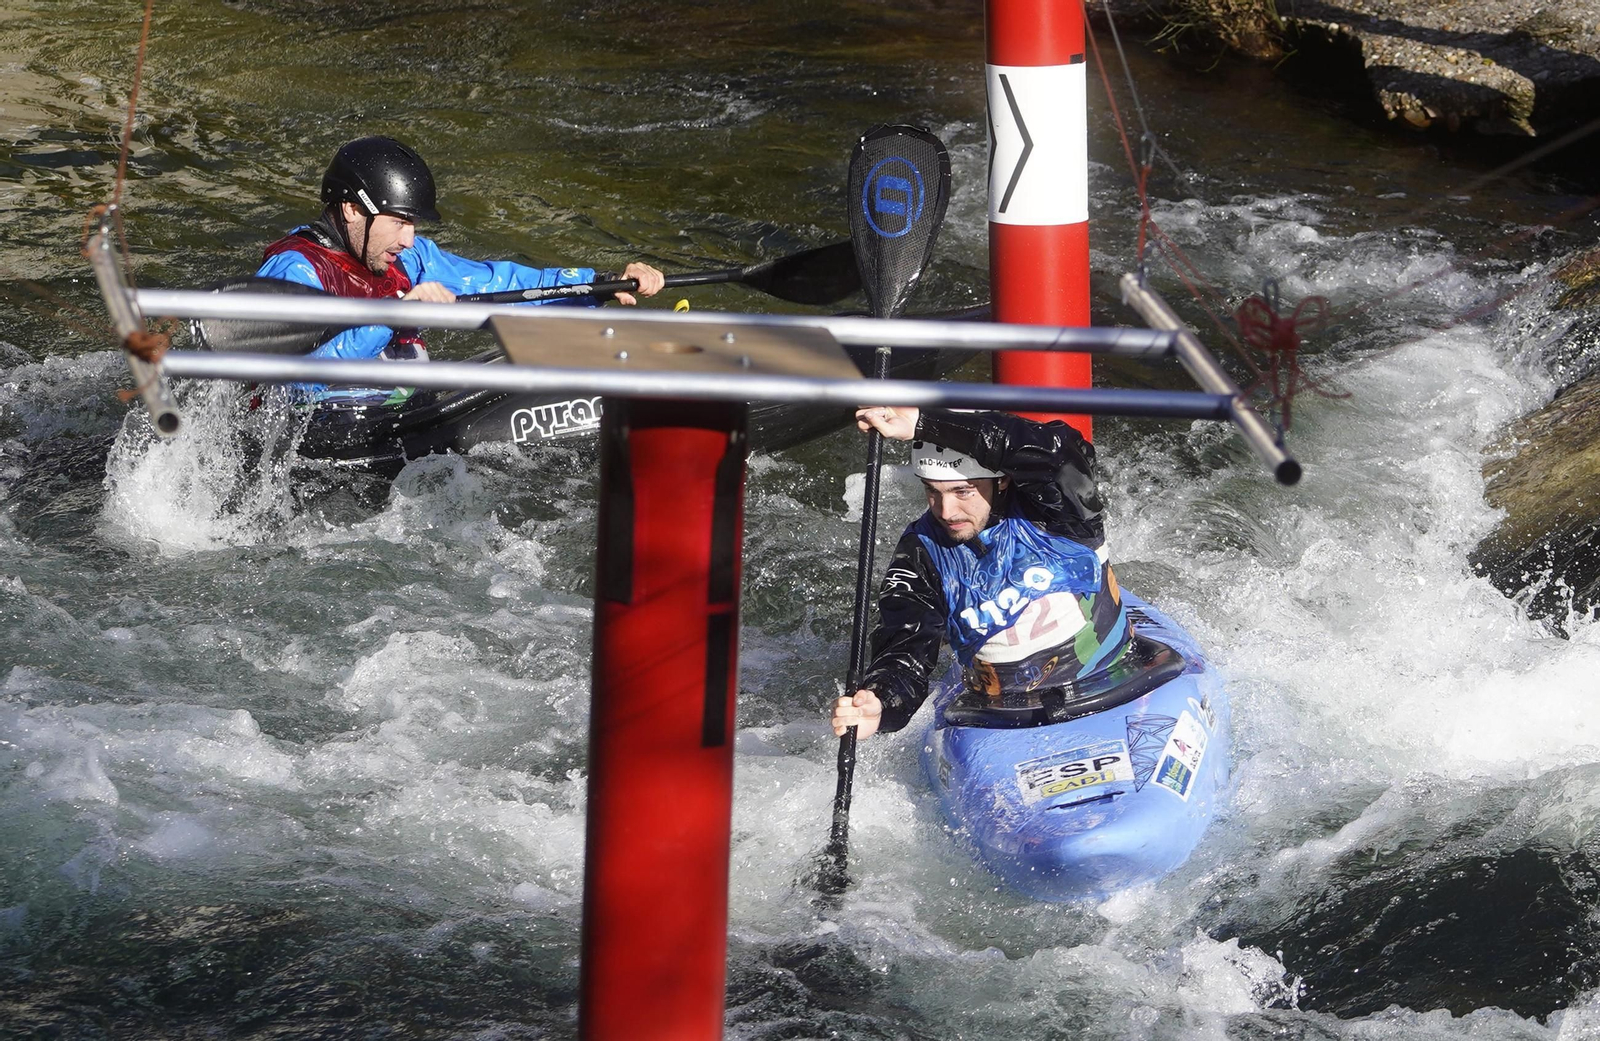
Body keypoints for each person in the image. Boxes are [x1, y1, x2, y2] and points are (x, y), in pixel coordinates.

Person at [256, 135, 665, 402]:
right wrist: (394, 317)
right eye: (399, 222)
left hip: (398, 408)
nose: (409, 239)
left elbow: (502, 287)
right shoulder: (294, 271)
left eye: (412, 224)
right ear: (351, 209)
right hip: (327, 441)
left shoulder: (407, 258)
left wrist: (596, 286)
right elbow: (295, 382)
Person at [829, 406, 1132, 740]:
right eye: (933, 491)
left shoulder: (1058, 508)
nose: (946, 511)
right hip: (1002, 716)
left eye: (963, 491)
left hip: (1116, 678)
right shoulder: (922, 551)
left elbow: (1057, 452)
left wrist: (924, 424)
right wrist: (881, 700)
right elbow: (906, 648)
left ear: (1000, 479)